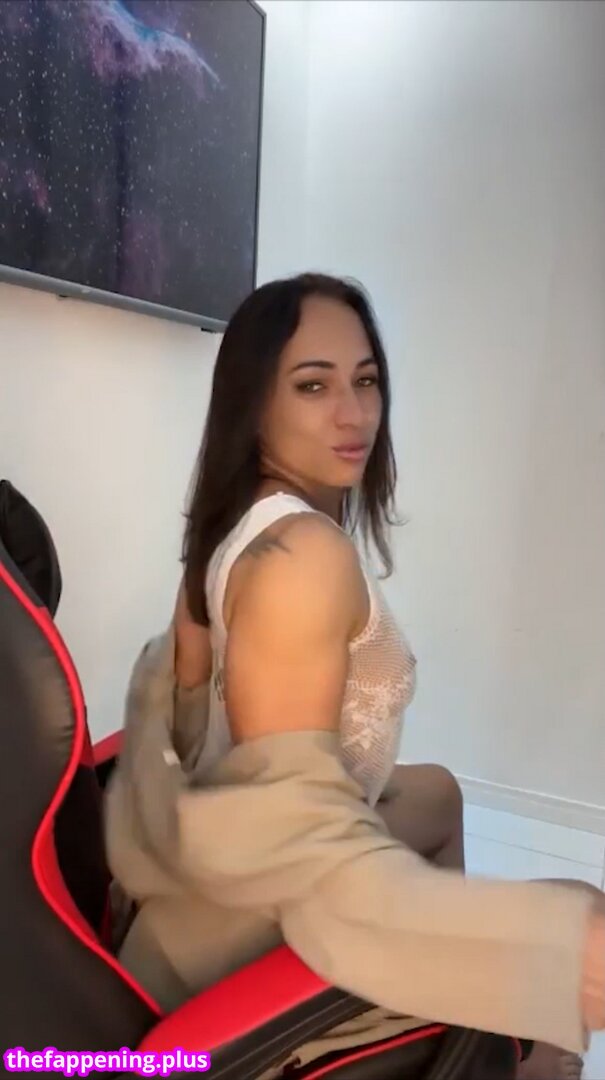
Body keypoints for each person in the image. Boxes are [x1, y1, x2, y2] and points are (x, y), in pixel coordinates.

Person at [105, 273, 604, 1079]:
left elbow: (190, 741)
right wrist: (553, 952)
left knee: (438, 793)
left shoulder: (230, 527)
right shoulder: (302, 559)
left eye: (365, 381)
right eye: (313, 386)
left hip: (200, 876)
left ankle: (452, 1038)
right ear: (253, 402)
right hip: (231, 932)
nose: (354, 415)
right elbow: (296, 857)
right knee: (579, 919)